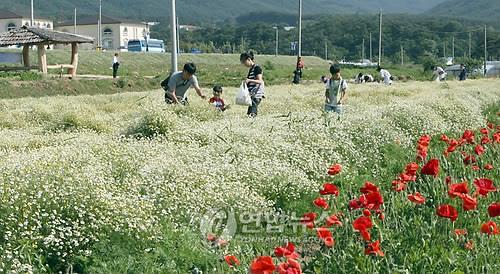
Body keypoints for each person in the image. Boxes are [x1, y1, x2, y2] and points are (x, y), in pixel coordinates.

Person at [240, 52, 265, 117]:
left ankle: (253, 118)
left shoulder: (257, 68)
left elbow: (260, 81)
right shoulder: (251, 69)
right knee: (250, 111)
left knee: (252, 111)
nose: (244, 64)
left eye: (244, 62)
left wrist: (249, 80)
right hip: (252, 94)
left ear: (249, 59)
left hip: (256, 94)